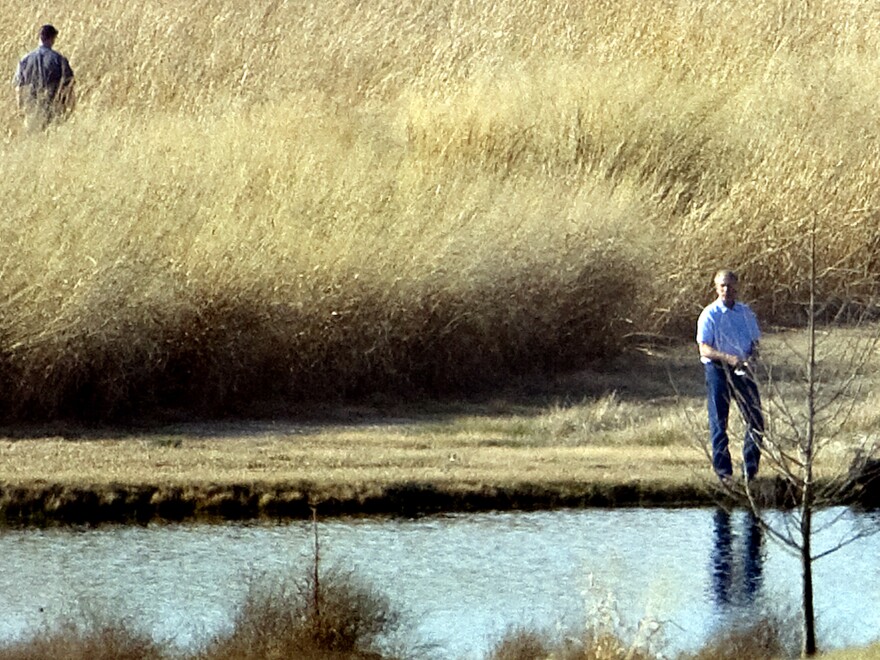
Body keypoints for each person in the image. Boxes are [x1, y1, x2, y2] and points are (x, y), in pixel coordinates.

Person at [696, 269, 764, 482]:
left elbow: (755, 343)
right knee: (719, 420)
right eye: (722, 285)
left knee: (756, 420)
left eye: (730, 286)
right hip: (717, 370)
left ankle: (749, 471)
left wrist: (751, 358)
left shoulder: (745, 313)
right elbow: (704, 348)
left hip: (743, 370)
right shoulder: (710, 314)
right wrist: (728, 358)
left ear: (737, 287)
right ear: (716, 288)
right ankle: (724, 474)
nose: (727, 290)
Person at [13, 24, 75, 131]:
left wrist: (20, 108)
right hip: (54, 108)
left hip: (31, 108)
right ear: (52, 38)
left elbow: (19, 87)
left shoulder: (24, 60)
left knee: (33, 140)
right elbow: (69, 85)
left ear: (39, 37)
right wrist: (68, 107)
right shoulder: (59, 59)